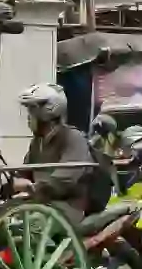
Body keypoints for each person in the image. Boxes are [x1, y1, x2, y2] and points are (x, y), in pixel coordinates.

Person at [12, 83, 110, 221]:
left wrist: (31, 189)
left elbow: (62, 182)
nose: (28, 118)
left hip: (69, 206)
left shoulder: (73, 138)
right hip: (42, 203)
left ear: (46, 113)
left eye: (32, 112)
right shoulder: (37, 142)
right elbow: (24, 173)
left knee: (31, 227)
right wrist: (12, 183)